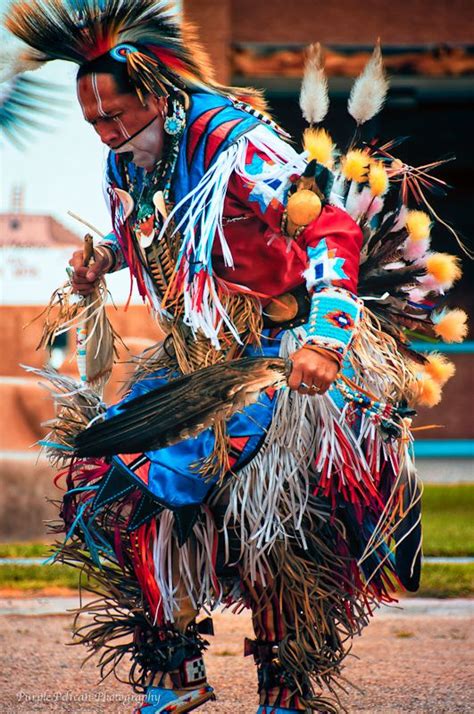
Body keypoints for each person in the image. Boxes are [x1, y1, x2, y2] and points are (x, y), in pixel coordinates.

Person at [4, 2, 466, 713]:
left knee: (270, 519)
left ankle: (284, 685)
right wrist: (106, 261)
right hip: (198, 355)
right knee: (127, 484)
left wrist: (326, 338)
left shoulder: (237, 147)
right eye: (92, 122)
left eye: (114, 117)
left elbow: (333, 229)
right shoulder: (126, 165)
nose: (104, 133)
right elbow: (165, 240)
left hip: (281, 347)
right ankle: (175, 668)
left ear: (156, 95)